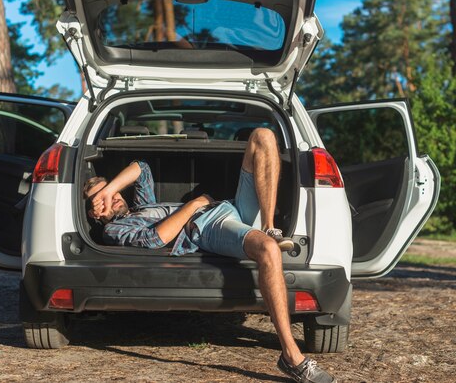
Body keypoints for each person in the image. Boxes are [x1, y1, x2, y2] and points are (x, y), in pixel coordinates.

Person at [83, 128, 336, 383]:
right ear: (95, 214)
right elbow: (156, 238)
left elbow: (142, 167)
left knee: (263, 136)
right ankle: (292, 356)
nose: (112, 198)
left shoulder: (141, 205)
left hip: (230, 207)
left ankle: (269, 226)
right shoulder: (115, 229)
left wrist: (108, 188)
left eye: (113, 193)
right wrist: (195, 204)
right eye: (101, 200)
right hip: (207, 225)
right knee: (269, 249)